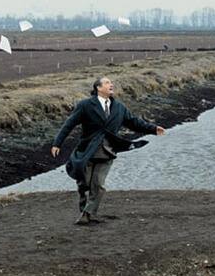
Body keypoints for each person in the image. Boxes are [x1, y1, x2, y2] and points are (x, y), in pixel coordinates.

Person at [50, 76, 166, 225]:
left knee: (98, 184)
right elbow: (69, 124)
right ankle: (86, 210)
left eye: (111, 83)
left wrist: (153, 129)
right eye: (107, 83)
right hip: (87, 150)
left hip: (108, 150)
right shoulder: (85, 105)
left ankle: (87, 214)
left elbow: (134, 122)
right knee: (84, 183)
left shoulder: (119, 108)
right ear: (98, 87)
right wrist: (57, 143)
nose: (111, 85)